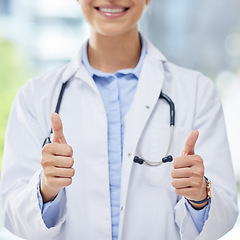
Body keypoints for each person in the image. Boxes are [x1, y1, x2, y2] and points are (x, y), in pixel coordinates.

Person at [0, 0, 238, 239]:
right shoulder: (34, 96)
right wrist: (46, 189)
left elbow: (225, 210)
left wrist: (200, 197)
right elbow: (11, 213)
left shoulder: (198, 92)